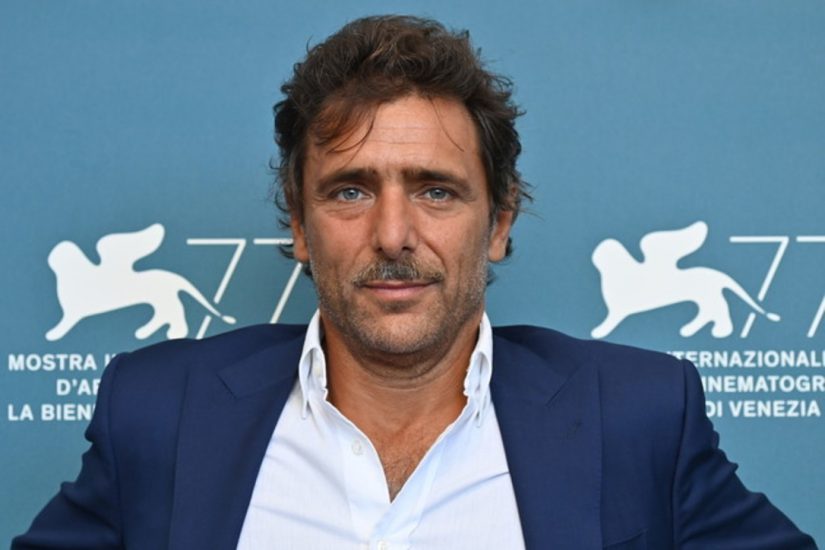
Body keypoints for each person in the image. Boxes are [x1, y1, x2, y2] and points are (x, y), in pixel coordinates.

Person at [14, 15, 816, 550]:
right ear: (299, 224)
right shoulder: (159, 410)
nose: (393, 234)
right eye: (349, 191)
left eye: (435, 190)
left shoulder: (639, 414)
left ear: (497, 222)